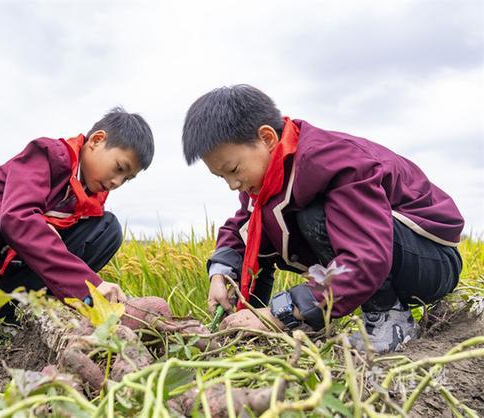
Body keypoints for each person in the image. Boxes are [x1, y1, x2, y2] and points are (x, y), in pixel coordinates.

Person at [181, 85, 463, 353]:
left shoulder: (334, 163)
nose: (232, 184)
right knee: (264, 226)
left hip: (431, 260)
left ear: (267, 139)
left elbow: (367, 256)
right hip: (385, 251)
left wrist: (285, 310)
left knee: (315, 215)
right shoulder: (268, 179)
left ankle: (389, 317)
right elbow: (244, 227)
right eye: (222, 177)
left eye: (233, 169)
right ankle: (247, 323)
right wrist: (221, 273)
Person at [0, 107, 154, 370]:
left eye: (127, 178)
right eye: (119, 168)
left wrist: (94, 298)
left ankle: (24, 318)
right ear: (97, 140)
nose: (117, 181)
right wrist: (90, 283)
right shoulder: (49, 156)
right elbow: (14, 218)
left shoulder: (87, 203)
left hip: (1, 288)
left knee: (107, 229)